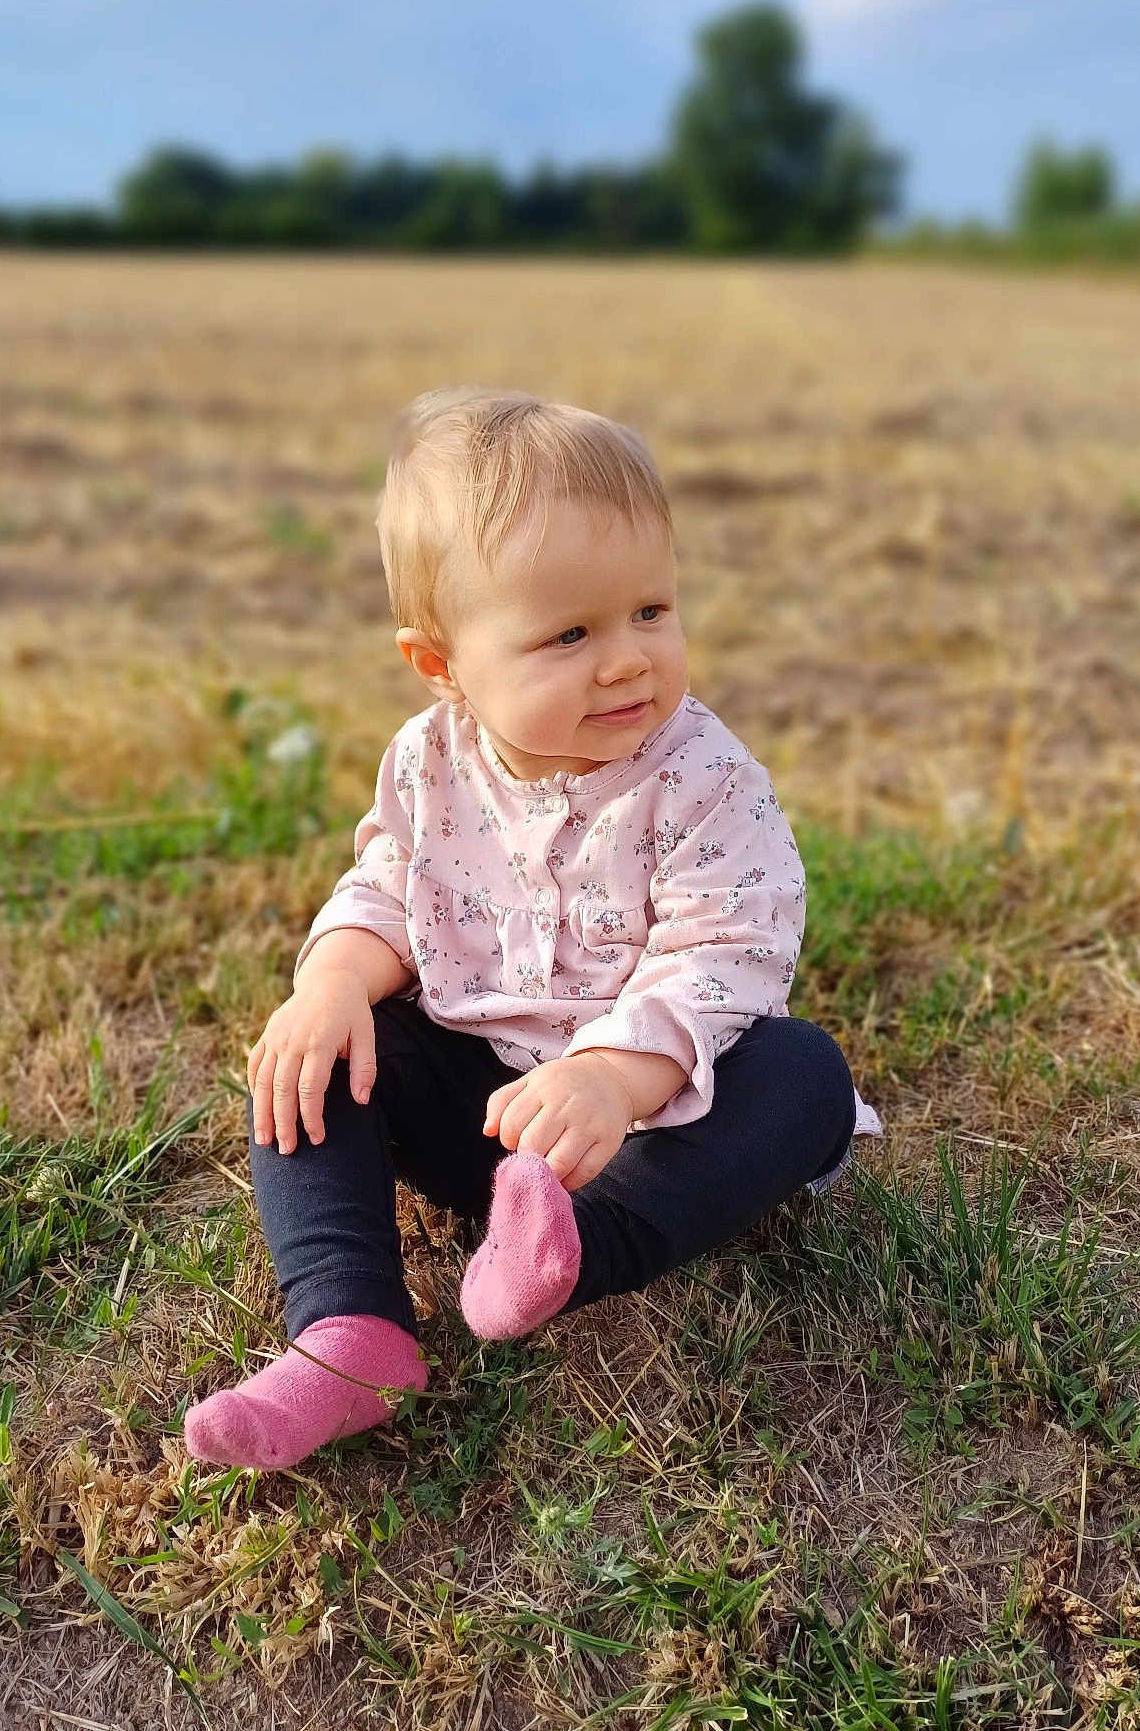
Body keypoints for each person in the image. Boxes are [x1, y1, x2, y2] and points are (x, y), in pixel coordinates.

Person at [184, 389, 880, 1471]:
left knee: (805, 1076)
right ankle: (346, 1329)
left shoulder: (703, 781)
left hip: (653, 1123)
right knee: (314, 1057)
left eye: (651, 610)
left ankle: (570, 1257)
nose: (627, 659)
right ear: (443, 664)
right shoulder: (431, 760)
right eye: (569, 634)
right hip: (491, 1117)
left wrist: (611, 1078)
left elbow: (725, 951)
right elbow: (387, 886)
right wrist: (327, 983)